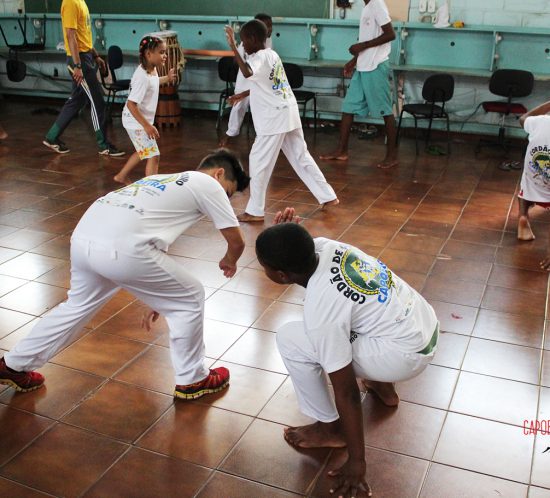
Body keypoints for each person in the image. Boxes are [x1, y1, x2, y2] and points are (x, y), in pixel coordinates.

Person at [0, 149, 250, 400]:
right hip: (121, 247)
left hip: (84, 237)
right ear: (219, 174)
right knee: (191, 296)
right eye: (228, 192)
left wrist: (159, 296)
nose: (225, 199)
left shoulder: (161, 179)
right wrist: (230, 260)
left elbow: (148, 241)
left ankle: (13, 365)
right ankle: (193, 379)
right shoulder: (207, 183)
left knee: (75, 307)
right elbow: (237, 242)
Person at [255, 210, 438, 497]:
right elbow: (297, 245)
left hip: (405, 355)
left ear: (281, 275)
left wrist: (357, 462)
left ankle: (330, 429)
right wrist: (283, 233)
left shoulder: (322, 312)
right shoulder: (328, 246)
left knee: (291, 338)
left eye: (264, 267)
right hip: (423, 325)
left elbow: (348, 392)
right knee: (351, 319)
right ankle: (381, 384)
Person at [225, 20, 339, 223]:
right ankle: (327, 195)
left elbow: (247, 72)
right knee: (300, 156)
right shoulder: (272, 54)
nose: (243, 46)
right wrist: (241, 95)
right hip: (288, 113)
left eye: (243, 42)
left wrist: (233, 47)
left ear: (253, 39)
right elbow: (266, 84)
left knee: (258, 161)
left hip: (273, 118)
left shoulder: (259, 57)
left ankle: (255, 211)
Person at [320, 0, 398, 169]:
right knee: (348, 107)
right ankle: (342, 150)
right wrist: (354, 60)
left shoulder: (377, 4)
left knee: (385, 110)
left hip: (376, 66)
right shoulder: (367, 7)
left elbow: (391, 34)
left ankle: (392, 156)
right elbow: (368, 40)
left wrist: (361, 46)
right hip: (362, 67)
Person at [42, 0, 124, 156]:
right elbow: (70, 35)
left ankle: (52, 137)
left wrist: (96, 56)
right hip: (79, 60)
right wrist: (78, 65)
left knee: (76, 100)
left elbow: (83, 36)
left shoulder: (80, 2)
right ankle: (103, 145)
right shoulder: (71, 2)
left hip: (85, 57)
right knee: (97, 101)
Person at [114, 36, 177, 185]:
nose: (165, 55)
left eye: (165, 52)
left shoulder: (151, 70)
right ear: (149, 54)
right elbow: (131, 104)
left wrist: (166, 79)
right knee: (153, 155)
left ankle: (121, 176)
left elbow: (153, 82)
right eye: (161, 52)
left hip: (137, 120)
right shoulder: (142, 77)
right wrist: (147, 126)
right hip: (135, 121)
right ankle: (150, 188)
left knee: (144, 151)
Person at [219, 13, 273, 148]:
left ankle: (262, 136)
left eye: (270, 26)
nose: (269, 29)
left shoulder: (267, 50)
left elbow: (254, 72)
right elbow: (245, 67)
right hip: (246, 80)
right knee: (239, 106)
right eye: (266, 26)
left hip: (257, 80)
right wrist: (235, 47)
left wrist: (232, 45)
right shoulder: (249, 44)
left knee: (259, 107)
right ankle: (231, 133)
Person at [516, 100, 550, 270]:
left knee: (527, 176)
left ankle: (523, 216)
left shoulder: (541, 121)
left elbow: (523, 118)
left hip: (536, 178)